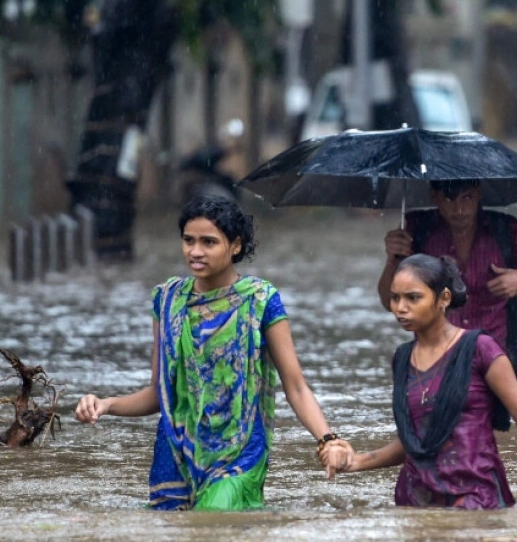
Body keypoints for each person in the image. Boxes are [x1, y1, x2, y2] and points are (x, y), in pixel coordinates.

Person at [74, 196, 350, 511]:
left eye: (209, 242)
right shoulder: (167, 301)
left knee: (215, 519)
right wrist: (106, 404)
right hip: (176, 451)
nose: (195, 251)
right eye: (188, 241)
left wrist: (328, 439)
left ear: (235, 246)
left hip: (239, 451)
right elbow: (159, 392)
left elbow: (296, 386)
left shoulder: (260, 301)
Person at [321, 255, 517, 509]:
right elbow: (417, 440)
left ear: (443, 298)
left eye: (413, 297)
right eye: (395, 297)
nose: (400, 307)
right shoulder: (402, 358)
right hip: (415, 501)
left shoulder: (480, 348)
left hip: (477, 500)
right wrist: (357, 461)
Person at [378, 179, 517, 429]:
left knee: (491, 436)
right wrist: (393, 259)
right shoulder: (416, 229)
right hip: (437, 358)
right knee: (433, 434)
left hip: (494, 361)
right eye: (449, 200)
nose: (459, 210)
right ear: (434, 197)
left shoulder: (507, 230)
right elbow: (388, 301)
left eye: (467, 198)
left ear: (479, 194)